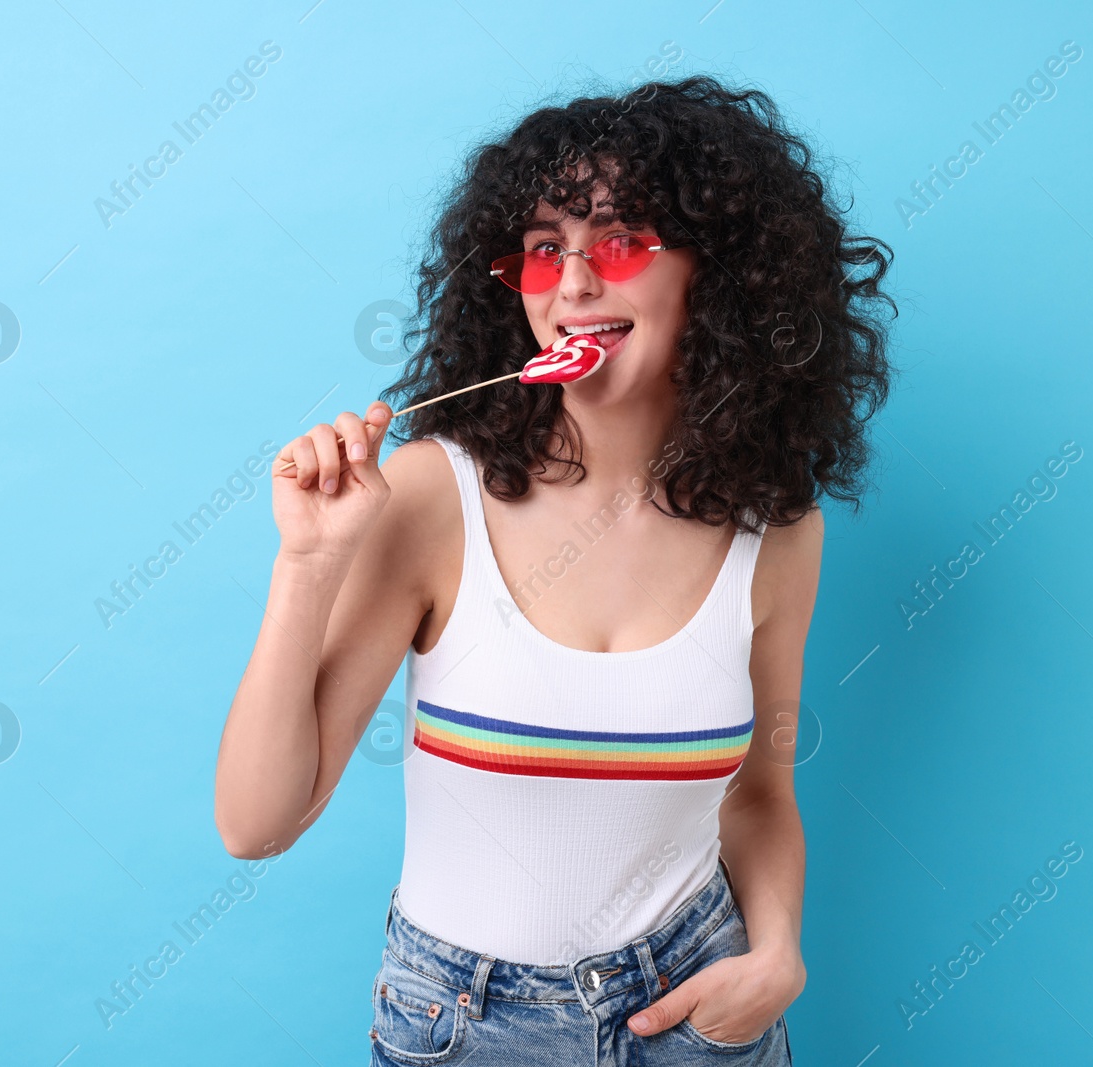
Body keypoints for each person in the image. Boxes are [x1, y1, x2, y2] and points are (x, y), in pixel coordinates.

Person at [213, 74, 895, 1065]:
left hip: (701, 1006)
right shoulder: (431, 496)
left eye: (618, 241)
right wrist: (307, 565)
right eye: (543, 251)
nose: (573, 284)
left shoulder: (777, 528)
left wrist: (780, 952)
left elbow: (757, 790)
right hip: (467, 1022)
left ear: (723, 275)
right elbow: (254, 823)